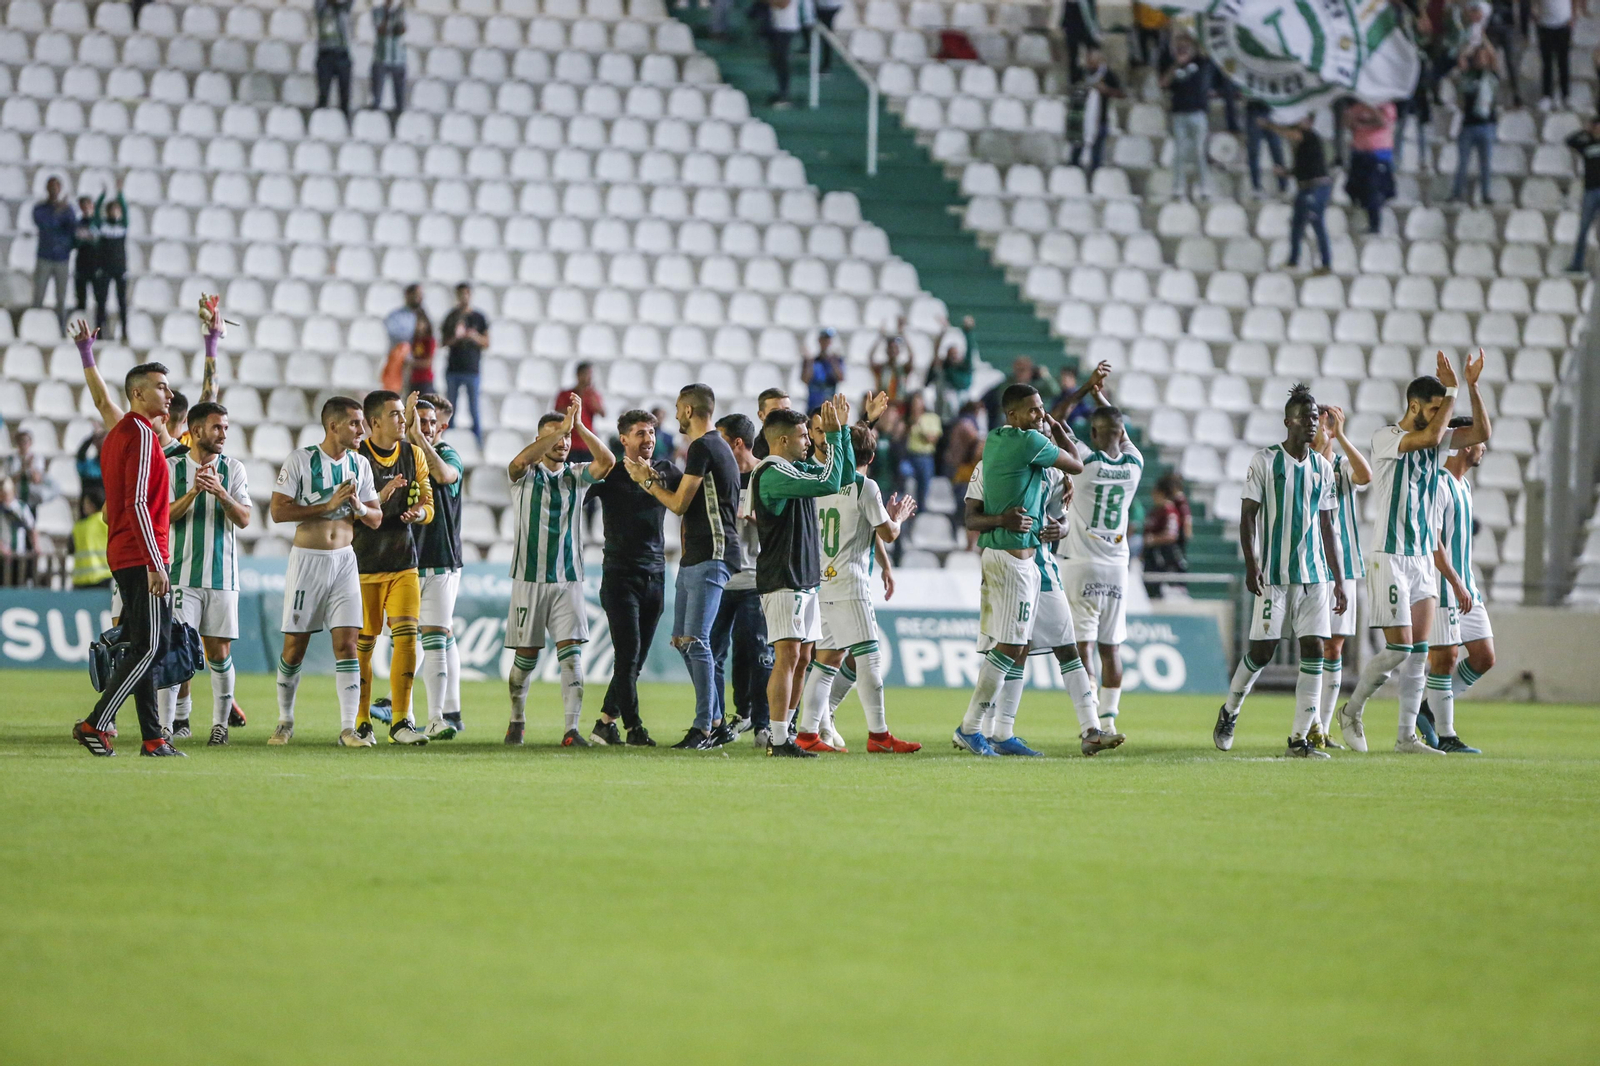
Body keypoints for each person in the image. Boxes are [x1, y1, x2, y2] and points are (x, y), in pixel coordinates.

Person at [1336, 351, 1490, 755]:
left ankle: (1406, 736)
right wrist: (1453, 389)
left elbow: (1479, 433)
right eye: (1436, 408)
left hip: (1422, 560)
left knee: (1419, 653)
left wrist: (1471, 386)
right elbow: (1426, 438)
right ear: (1415, 406)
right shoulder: (1386, 437)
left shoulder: (1438, 442)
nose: (1442, 416)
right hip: (1389, 554)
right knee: (1400, 648)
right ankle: (1351, 711)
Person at [1212, 385, 1349, 758]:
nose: (1312, 423)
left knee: (1314, 649)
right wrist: (1251, 563)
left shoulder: (1323, 468)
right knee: (1262, 651)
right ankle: (1230, 710)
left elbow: (1327, 526)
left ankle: (1299, 740)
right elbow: (1247, 516)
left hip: (1314, 576)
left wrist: (1338, 579)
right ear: (1288, 421)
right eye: (1305, 417)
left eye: (1316, 417)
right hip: (1274, 575)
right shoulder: (1264, 461)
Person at [965, 436, 1122, 757]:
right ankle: (986, 729)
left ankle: (1091, 730)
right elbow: (970, 519)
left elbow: (1061, 519)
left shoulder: (1052, 473)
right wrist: (1002, 521)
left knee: (1067, 647)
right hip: (1007, 565)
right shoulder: (987, 469)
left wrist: (1060, 529)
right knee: (1011, 650)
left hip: (1044, 568)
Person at [952, 384, 1085, 756]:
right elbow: (1077, 463)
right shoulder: (1029, 443)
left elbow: (979, 514)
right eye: (1032, 411)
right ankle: (970, 727)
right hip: (1011, 562)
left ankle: (1000, 733)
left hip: (1017, 561)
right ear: (1012, 415)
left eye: (1041, 409)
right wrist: (1059, 432)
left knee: (1016, 646)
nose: (1039, 416)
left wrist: (1004, 517)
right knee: (1010, 646)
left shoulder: (996, 440)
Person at [622, 384, 743, 749]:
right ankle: (717, 719)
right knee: (682, 641)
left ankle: (704, 727)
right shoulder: (712, 448)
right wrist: (654, 475)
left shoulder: (705, 447)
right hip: (696, 555)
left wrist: (645, 481)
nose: (674, 415)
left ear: (689, 410)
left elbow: (678, 504)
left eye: (678, 408)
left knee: (697, 641)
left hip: (713, 552)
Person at [71, 360, 180, 758]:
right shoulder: (140, 434)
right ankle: (95, 724)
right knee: (152, 646)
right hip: (141, 555)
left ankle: (153, 738)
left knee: (141, 644)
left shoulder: (118, 434)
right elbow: (136, 502)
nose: (169, 394)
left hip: (126, 551)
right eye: (161, 387)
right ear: (137, 393)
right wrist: (155, 562)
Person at [269, 397, 384, 747]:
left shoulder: (360, 465)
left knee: (348, 645)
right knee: (294, 648)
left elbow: (375, 518)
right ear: (333, 426)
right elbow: (277, 512)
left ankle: (348, 728)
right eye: (354, 424)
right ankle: (285, 720)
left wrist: (358, 506)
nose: (361, 430)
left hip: (345, 561)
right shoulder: (300, 460)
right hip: (308, 560)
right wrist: (328, 505)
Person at [503, 397, 615, 747]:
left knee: (571, 654)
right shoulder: (524, 476)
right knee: (526, 659)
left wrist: (578, 426)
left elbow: (608, 461)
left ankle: (571, 730)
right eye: (555, 437)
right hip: (529, 579)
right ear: (541, 440)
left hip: (568, 580)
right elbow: (520, 460)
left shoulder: (576, 476)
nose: (563, 442)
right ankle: (517, 719)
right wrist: (557, 432)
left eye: (566, 438)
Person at [748, 396, 853, 757]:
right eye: (804, 436)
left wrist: (846, 436)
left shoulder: (794, 469)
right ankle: (777, 738)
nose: (810, 441)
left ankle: (786, 733)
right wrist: (835, 437)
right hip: (783, 577)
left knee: (804, 657)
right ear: (782, 441)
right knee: (789, 655)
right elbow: (828, 483)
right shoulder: (773, 473)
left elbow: (845, 478)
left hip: (804, 575)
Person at [587, 409, 681, 747]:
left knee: (635, 658)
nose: (648, 439)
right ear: (623, 438)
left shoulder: (666, 470)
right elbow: (575, 495)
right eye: (640, 433)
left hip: (656, 573)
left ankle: (604, 723)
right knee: (628, 655)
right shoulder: (610, 474)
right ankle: (634, 728)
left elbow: (692, 499)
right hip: (619, 574)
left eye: (652, 433)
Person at [160, 400, 251, 746]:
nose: (223, 433)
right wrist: (196, 491)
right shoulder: (172, 468)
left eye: (226, 427)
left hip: (222, 576)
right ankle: (166, 727)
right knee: (176, 651)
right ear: (196, 430)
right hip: (182, 576)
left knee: (219, 652)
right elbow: (163, 516)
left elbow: (244, 519)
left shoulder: (234, 469)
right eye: (217, 427)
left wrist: (221, 492)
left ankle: (219, 725)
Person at [349, 391, 435, 746]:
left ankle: (401, 721)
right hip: (363, 564)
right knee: (364, 645)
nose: (404, 420)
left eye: (404, 414)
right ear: (375, 423)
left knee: (406, 637)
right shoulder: (355, 458)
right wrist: (379, 498)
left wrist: (420, 514)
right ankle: (362, 718)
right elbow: (346, 510)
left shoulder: (414, 455)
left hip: (403, 562)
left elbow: (429, 502)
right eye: (396, 415)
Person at [1061, 399, 1143, 740]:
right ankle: (1109, 721)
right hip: (1116, 566)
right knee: (1112, 648)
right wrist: (1102, 398)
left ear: (1093, 433)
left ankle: (1091, 717)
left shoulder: (1084, 462)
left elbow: (1057, 422)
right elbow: (1119, 434)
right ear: (1121, 432)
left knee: (1084, 646)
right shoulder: (1135, 465)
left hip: (1081, 564)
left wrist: (1085, 391)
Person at [1420, 438, 1497, 753]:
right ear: (1466, 446)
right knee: (1445, 659)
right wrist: (1454, 582)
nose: (1484, 449)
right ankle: (1446, 735)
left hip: (1467, 587)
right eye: (1480, 443)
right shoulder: (1438, 484)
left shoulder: (1464, 486)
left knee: (1484, 657)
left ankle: (1428, 708)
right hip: (1444, 586)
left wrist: (1465, 583)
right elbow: (1434, 542)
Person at [1308, 404, 1371, 749]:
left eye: (1326, 422)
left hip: (1343, 565)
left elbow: (1366, 476)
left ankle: (1323, 727)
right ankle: (1309, 722)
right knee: (1314, 644)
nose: (1322, 427)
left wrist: (1341, 436)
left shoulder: (1341, 467)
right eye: (1318, 422)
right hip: (1309, 564)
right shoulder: (1304, 463)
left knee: (1335, 646)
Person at [710, 414, 774, 745]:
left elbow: (786, 522)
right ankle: (719, 722)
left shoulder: (767, 474)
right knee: (713, 653)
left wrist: (758, 516)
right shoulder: (718, 476)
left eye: (721, 441)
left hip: (755, 579)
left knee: (759, 654)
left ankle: (764, 724)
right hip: (720, 578)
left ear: (737, 443)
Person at [412, 393, 465, 739]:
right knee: (402, 640)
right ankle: (397, 711)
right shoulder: (397, 456)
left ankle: (439, 715)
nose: (429, 428)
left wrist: (418, 438)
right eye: (422, 422)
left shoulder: (447, 453)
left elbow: (444, 476)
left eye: (433, 423)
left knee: (435, 637)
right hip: (402, 560)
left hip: (442, 559)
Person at [1271, 113, 1334, 274]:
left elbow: (1291, 134)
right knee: (1297, 224)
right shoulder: (1302, 146)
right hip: (1305, 187)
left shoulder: (1310, 136)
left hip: (1316, 186)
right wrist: (1285, 172)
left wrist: (1268, 126)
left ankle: (1326, 262)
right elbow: (1300, 169)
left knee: (1316, 221)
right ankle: (1293, 260)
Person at [1162, 36, 1211, 201]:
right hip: (1179, 114)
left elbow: (1206, 51)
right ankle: (1178, 187)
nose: (1182, 50)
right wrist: (1176, 64)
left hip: (1198, 113)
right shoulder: (1173, 67)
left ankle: (1204, 187)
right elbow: (1163, 83)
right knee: (1180, 153)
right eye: (1179, 47)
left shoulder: (1201, 63)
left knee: (1199, 152)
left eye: (1185, 47)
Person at [1451, 44, 1501, 206]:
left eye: (1483, 57)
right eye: (1478, 57)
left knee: (1486, 164)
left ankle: (1486, 194)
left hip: (1486, 125)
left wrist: (1484, 40)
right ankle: (1457, 193)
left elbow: (1495, 59)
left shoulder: (1492, 76)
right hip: (1468, 125)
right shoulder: (1467, 76)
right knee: (1462, 163)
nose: (1481, 60)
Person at [440, 283, 489, 445]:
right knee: (450, 408)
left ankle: (477, 442)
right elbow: (443, 342)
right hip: (453, 368)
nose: (464, 297)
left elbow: (486, 342)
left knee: (473, 408)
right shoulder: (451, 317)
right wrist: (457, 337)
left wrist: (473, 336)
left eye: (466, 293)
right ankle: (448, 441)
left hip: (472, 369)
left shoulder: (479, 318)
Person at [1345, 100, 1397, 234]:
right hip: (1359, 153)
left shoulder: (1386, 106)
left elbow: (1383, 122)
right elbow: (1350, 124)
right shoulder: (1357, 107)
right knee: (1351, 187)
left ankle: (1375, 225)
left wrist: (1371, 107)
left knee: (1373, 191)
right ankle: (1360, 213)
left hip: (1379, 154)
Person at [32, 176, 76, 332]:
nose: (54, 190)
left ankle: (60, 328)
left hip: (61, 258)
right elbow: (44, 224)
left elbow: (72, 229)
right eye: (51, 187)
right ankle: (33, 325)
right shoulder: (40, 208)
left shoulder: (68, 210)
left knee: (61, 297)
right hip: (44, 256)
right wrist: (58, 212)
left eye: (56, 187)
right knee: (38, 295)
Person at [1071, 48, 1123, 177]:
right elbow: (1071, 88)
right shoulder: (1081, 73)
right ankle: (1074, 175)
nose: (1091, 64)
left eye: (1094, 61)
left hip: (1100, 118)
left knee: (1097, 153)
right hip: (1080, 117)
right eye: (1089, 61)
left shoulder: (1108, 75)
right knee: (1077, 150)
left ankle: (1094, 177)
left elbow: (1120, 93)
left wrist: (1106, 90)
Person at [91, 182, 130, 344]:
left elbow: (126, 212)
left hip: (120, 269)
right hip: (104, 269)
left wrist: (120, 194)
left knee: (122, 303)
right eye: (112, 209)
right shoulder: (103, 227)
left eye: (117, 209)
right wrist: (102, 196)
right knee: (102, 301)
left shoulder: (122, 227)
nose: (115, 212)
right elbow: (95, 217)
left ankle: (125, 332)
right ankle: (100, 331)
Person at [944, 400, 985, 545]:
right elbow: (977, 442)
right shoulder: (966, 424)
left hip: (962, 473)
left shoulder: (959, 423)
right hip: (961, 474)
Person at [1564, 114, 1600, 272]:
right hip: (1590, 191)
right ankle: (1577, 264)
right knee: (1583, 229)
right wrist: (1584, 131)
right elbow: (1569, 141)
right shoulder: (1586, 144)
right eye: (1596, 126)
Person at [384, 284, 434, 397]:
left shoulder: (423, 315)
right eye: (416, 295)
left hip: (417, 371)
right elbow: (395, 335)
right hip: (400, 364)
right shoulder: (397, 316)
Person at [554, 362, 606, 464]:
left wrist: (591, 398)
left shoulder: (592, 395)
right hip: (570, 442)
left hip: (587, 442)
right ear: (578, 375)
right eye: (586, 374)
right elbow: (558, 413)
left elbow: (602, 413)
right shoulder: (565, 394)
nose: (589, 378)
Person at [1536, 0, 1582, 111]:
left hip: (1563, 23)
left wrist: (1573, 17)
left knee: (1563, 62)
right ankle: (1547, 96)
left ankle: (1565, 96)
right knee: (1547, 63)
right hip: (1545, 24)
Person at [1141, 481, 1185, 596]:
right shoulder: (1155, 511)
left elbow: (1171, 535)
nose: (1152, 495)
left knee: (1160, 587)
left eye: (1154, 492)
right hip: (1151, 555)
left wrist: (1153, 539)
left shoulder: (1169, 512)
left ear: (1161, 493)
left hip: (1163, 556)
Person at [314, 0, 354, 118]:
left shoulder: (344, 6)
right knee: (323, 95)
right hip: (325, 53)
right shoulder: (321, 5)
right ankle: (320, 123)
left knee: (345, 97)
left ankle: (344, 125)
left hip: (343, 52)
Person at [903, 392, 941, 520]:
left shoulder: (931, 418)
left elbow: (932, 438)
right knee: (903, 474)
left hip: (925, 456)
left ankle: (921, 513)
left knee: (924, 485)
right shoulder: (907, 419)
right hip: (909, 455)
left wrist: (919, 425)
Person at [934, 314, 977, 421]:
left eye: (955, 354)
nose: (953, 357)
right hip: (949, 398)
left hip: (965, 394)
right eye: (951, 354)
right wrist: (942, 334)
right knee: (948, 398)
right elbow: (935, 355)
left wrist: (968, 331)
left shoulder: (965, 366)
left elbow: (970, 349)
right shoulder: (946, 369)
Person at [1244, 100, 1289, 198]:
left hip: (1272, 109)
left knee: (1277, 151)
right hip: (1254, 110)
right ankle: (1256, 187)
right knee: (1254, 152)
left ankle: (1283, 186)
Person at [371, 0, 408, 119]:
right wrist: (388, 13)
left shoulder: (401, 11)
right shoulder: (377, 11)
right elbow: (380, 30)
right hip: (381, 57)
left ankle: (399, 121)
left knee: (400, 99)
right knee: (376, 98)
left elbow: (401, 30)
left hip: (398, 58)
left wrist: (398, 14)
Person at [71, 487, 111, 590]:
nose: (84, 506)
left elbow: (71, 548)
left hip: (80, 579)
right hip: (104, 574)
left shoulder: (78, 526)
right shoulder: (105, 520)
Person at [0, 475, 36, 586]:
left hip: (19, 555)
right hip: (2, 556)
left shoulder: (21, 507)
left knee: (18, 584)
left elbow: (32, 528)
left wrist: (36, 546)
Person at [765, 0, 801, 107]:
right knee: (779, 62)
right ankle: (781, 92)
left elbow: (784, 4)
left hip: (786, 27)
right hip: (779, 26)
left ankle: (784, 95)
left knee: (783, 63)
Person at [801, 328, 845, 412]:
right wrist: (809, 362)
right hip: (813, 404)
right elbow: (805, 380)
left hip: (830, 404)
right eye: (824, 340)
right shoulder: (811, 361)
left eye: (828, 340)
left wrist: (833, 362)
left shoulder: (837, 360)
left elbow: (841, 378)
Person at [72, 195, 99, 319]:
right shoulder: (78, 223)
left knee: (99, 299)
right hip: (81, 264)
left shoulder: (98, 223)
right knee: (80, 298)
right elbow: (75, 243)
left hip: (96, 264)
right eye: (83, 206)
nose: (86, 209)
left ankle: (100, 328)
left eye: (88, 205)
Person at [1061, 0, 1101, 83]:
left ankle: (1092, 75)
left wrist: (1096, 30)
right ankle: (1075, 79)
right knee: (1073, 55)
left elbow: (1092, 14)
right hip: (1072, 24)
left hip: (1085, 26)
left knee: (1093, 50)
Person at [869, 328, 913, 401]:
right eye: (890, 348)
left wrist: (904, 336)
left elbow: (911, 357)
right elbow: (871, 358)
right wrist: (880, 338)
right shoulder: (881, 368)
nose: (893, 351)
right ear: (887, 351)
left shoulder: (903, 369)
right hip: (884, 404)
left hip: (899, 404)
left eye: (895, 348)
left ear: (898, 351)